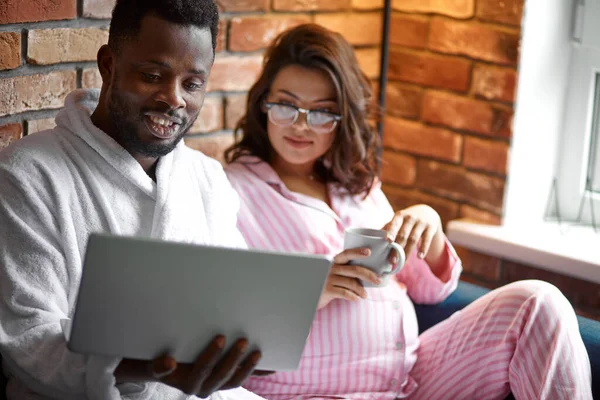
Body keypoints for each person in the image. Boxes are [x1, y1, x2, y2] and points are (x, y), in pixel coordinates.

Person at [224, 24, 592, 399]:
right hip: (314, 391)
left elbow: (431, 291)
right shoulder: (229, 192)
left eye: (322, 112)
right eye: (286, 106)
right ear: (263, 104)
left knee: (538, 302)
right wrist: (310, 291)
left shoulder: (354, 187)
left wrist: (427, 229)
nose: (301, 125)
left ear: (342, 119)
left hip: (413, 376)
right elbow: (221, 319)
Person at [0, 0, 267, 399]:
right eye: (152, 75)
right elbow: (29, 338)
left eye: (192, 84)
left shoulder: (207, 179)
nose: (173, 99)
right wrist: (136, 368)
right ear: (108, 65)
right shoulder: (27, 173)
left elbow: (235, 310)